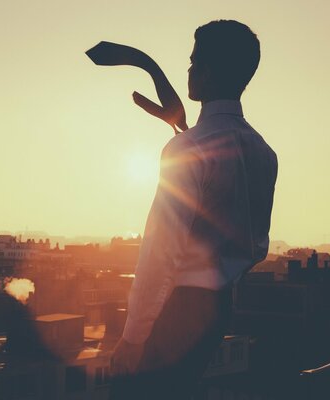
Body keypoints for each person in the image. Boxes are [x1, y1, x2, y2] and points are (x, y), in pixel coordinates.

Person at [110, 19, 278, 399]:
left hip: (174, 313)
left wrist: (133, 337)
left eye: (195, 62)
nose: (189, 70)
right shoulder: (264, 153)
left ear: (210, 72)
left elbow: (159, 253)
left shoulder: (186, 150)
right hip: (217, 310)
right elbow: (256, 246)